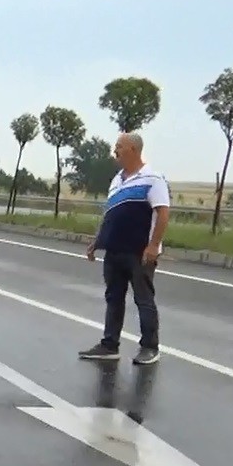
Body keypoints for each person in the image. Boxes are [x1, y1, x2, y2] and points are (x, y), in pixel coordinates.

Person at [79, 132, 169, 365]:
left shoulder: (153, 178)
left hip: (139, 252)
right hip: (114, 250)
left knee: (143, 299)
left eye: (119, 146)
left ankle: (150, 347)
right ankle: (109, 345)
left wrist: (153, 245)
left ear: (133, 150)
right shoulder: (117, 180)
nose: (115, 151)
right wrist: (98, 240)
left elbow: (163, 213)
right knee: (114, 298)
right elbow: (110, 213)